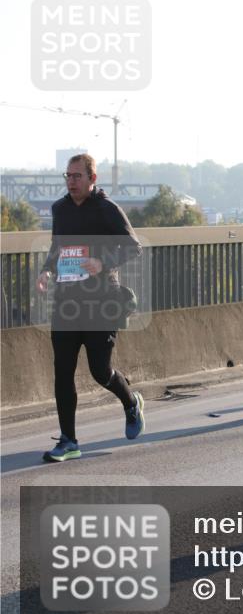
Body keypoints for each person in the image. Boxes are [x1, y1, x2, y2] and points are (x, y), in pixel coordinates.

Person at [36, 153, 145, 462]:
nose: (71, 181)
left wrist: (102, 262)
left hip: (101, 303)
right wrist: (47, 272)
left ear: (92, 179)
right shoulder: (60, 209)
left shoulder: (107, 209)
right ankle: (69, 441)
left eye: (77, 176)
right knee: (62, 371)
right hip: (67, 303)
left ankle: (130, 402)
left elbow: (133, 246)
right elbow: (57, 250)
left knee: (100, 371)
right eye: (67, 176)